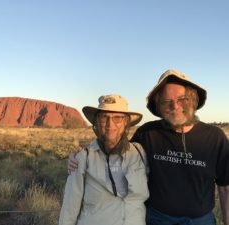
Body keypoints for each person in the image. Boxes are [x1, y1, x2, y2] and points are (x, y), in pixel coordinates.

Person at [68, 70, 229, 225]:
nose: (175, 106)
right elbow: (116, 151)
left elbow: (225, 189)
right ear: (159, 106)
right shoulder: (148, 133)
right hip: (156, 220)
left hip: (200, 221)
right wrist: (80, 157)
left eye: (182, 99)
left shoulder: (215, 137)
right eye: (166, 102)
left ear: (193, 99)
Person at [59, 94, 149, 225]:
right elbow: (70, 208)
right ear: (96, 122)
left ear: (125, 122)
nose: (109, 124)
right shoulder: (84, 158)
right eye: (104, 117)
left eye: (117, 118)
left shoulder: (139, 153)